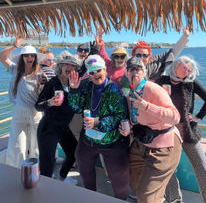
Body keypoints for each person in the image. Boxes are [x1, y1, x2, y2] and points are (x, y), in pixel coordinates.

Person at [120, 57, 182, 203]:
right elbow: (136, 118)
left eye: (138, 69)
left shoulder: (152, 88)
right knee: (134, 183)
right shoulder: (130, 91)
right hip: (141, 142)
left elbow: (175, 117)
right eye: (131, 69)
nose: (134, 72)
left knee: (146, 196)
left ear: (144, 72)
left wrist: (147, 106)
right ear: (126, 73)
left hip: (164, 145)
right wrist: (128, 128)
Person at [68, 55, 130, 200]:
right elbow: (76, 108)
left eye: (98, 70)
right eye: (91, 72)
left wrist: (97, 122)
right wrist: (74, 90)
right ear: (88, 75)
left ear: (105, 70)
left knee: (119, 179)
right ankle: (91, 197)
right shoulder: (87, 87)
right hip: (88, 141)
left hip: (112, 143)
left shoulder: (113, 90)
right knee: (84, 169)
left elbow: (120, 116)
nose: (96, 74)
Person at [155, 55, 206, 203]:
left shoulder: (191, 83)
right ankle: (174, 200)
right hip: (166, 133)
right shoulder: (162, 81)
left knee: (203, 171)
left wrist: (197, 117)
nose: (187, 70)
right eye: (184, 66)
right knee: (168, 171)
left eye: (189, 68)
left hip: (188, 132)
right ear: (175, 65)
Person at [35, 51, 82, 184]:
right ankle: (45, 189)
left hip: (63, 127)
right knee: (47, 163)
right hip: (48, 128)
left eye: (73, 65)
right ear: (60, 66)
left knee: (74, 153)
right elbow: (38, 105)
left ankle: (61, 178)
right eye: (66, 64)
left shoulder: (74, 84)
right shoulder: (52, 84)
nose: (70, 67)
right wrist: (50, 102)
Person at [0, 37, 45, 168]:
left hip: (36, 112)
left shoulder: (41, 74)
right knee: (17, 145)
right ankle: (17, 170)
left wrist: (44, 84)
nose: (29, 57)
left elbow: (45, 95)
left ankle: (37, 172)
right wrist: (15, 45)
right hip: (19, 111)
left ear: (35, 58)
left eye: (32, 55)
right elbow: (2, 56)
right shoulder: (15, 69)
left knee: (36, 146)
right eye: (26, 55)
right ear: (22, 57)